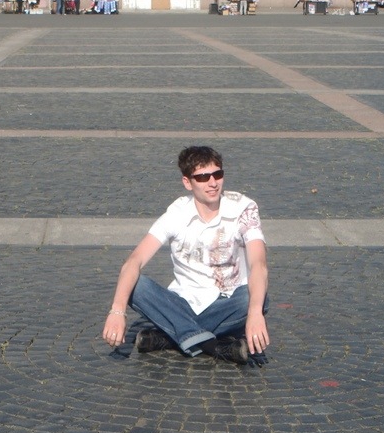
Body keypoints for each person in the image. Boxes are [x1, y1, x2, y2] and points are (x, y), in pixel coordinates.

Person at [102, 146, 270, 367]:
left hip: (227, 302)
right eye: (203, 177)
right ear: (187, 182)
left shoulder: (243, 208)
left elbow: (258, 264)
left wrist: (255, 313)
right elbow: (134, 260)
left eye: (217, 174)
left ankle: (172, 336)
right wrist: (117, 311)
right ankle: (213, 346)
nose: (213, 183)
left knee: (256, 298)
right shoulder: (177, 213)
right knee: (135, 286)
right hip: (183, 303)